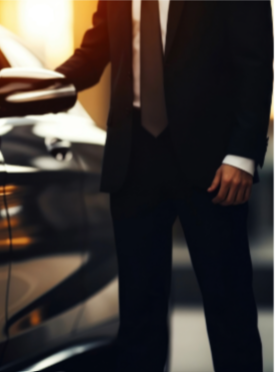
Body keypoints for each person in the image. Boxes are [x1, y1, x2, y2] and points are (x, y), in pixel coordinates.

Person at [55, 1, 273, 371]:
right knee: (139, 320)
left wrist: (242, 155)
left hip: (213, 164)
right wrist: (43, 84)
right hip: (134, 161)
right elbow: (94, 53)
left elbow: (255, 60)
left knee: (230, 311)